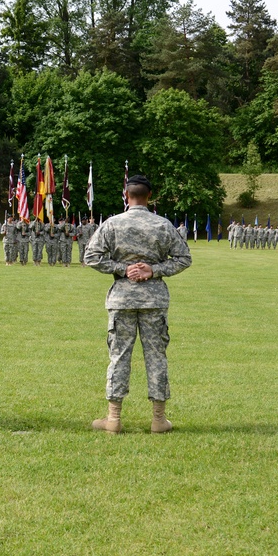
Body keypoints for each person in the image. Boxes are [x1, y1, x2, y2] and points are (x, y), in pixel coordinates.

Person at [83, 174, 192, 434]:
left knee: (119, 356)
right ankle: (158, 420)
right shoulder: (163, 225)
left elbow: (91, 255)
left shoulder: (112, 224)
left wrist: (123, 268)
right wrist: (152, 270)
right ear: (149, 197)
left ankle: (114, 419)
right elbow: (183, 258)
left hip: (122, 299)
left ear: (126, 195)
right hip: (154, 300)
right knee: (156, 357)